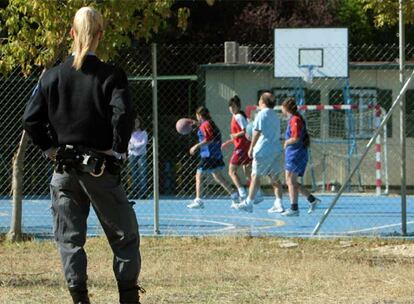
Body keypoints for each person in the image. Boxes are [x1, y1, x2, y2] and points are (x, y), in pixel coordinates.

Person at [22, 7, 142, 304]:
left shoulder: (51, 77)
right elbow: (123, 113)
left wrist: (50, 148)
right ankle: (128, 298)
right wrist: (118, 148)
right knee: (124, 237)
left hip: (64, 168)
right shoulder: (111, 75)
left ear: (72, 33)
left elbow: (30, 119)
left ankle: (79, 299)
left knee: (69, 239)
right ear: (100, 35)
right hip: (99, 168)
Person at [235, 92, 284, 213]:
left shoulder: (261, 114)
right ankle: (279, 203)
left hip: (263, 149)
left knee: (255, 176)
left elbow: (256, 131)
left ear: (262, 102)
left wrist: (251, 147)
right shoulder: (275, 115)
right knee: (275, 177)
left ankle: (249, 203)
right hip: (276, 149)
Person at [187, 106, 239, 209]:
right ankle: (234, 195)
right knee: (217, 176)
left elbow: (209, 139)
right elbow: (210, 134)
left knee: (199, 174)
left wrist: (196, 146)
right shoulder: (209, 123)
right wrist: (197, 123)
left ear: (199, 115)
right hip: (215, 154)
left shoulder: (205, 125)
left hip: (208, 154)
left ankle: (198, 200)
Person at [280, 97, 321, 216]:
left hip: (296, 153)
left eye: (282, 107)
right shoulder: (292, 119)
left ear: (286, 108)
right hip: (293, 153)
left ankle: (294, 208)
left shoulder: (295, 120)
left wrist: (287, 142)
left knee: (291, 181)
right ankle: (312, 200)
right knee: (290, 181)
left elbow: (296, 137)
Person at [227, 95, 263, 203]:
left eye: (233, 106)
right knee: (247, 170)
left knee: (231, 171)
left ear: (238, 107)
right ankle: (258, 193)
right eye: (230, 106)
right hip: (245, 146)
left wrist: (235, 135)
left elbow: (245, 130)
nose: (231, 108)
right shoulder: (238, 116)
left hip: (242, 147)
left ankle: (242, 194)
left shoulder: (238, 116)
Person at [128, 116, 148, 198]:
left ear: (140, 123)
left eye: (137, 122)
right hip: (132, 155)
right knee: (134, 174)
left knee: (142, 174)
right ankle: (134, 192)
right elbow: (128, 143)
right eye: (135, 122)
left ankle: (143, 193)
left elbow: (143, 144)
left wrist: (134, 146)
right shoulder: (130, 133)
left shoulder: (144, 133)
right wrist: (132, 146)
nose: (136, 123)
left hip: (141, 155)